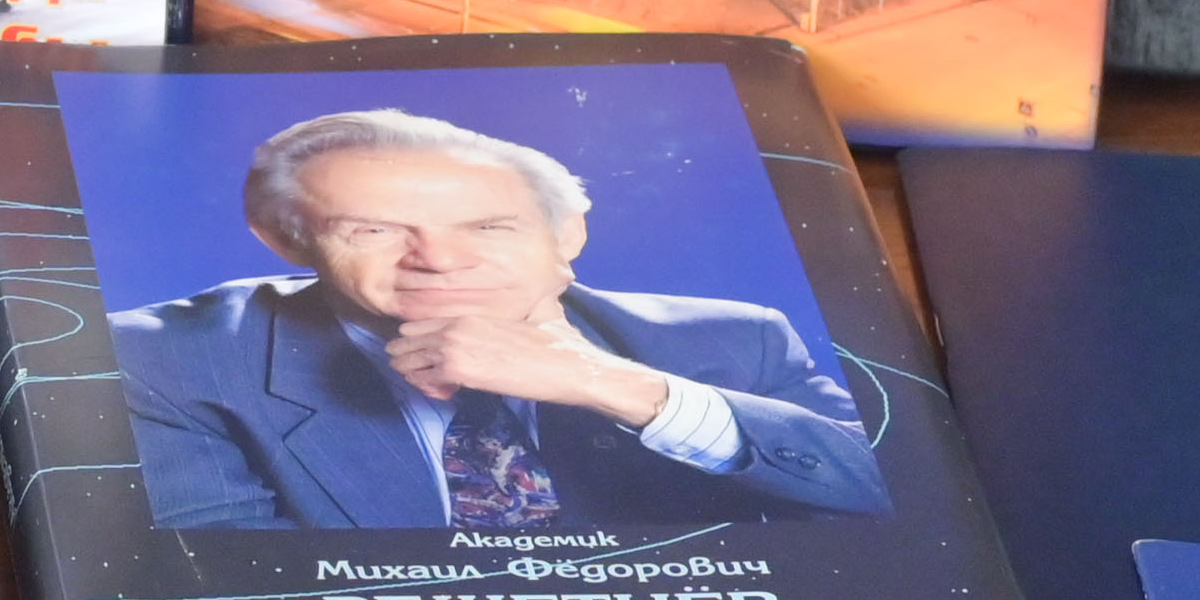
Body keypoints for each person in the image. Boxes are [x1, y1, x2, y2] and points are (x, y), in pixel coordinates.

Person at [113, 105, 888, 534]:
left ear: (566, 237)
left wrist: (614, 385)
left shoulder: (734, 340)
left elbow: (894, 501)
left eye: (488, 227)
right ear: (287, 240)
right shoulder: (166, 360)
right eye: (375, 230)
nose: (441, 261)